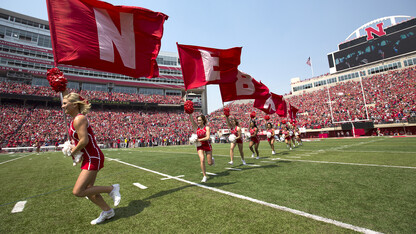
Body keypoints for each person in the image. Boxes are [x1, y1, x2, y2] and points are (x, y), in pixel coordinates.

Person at [62, 92, 121, 225]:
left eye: (65, 103)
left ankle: (111, 189)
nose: (62, 105)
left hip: (93, 156)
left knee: (78, 191)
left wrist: (72, 151)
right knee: (89, 189)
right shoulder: (74, 119)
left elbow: (84, 141)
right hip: (89, 157)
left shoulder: (79, 119)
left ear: (74, 104)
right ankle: (107, 211)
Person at [188, 113, 214, 183]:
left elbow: (207, 137)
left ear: (203, 121)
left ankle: (212, 160)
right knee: (202, 159)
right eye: (197, 120)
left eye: (199, 120)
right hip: (199, 146)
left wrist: (199, 140)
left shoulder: (207, 128)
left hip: (207, 145)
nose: (198, 121)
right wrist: (189, 113)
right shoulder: (196, 127)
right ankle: (204, 176)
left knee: (209, 163)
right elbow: (191, 120)